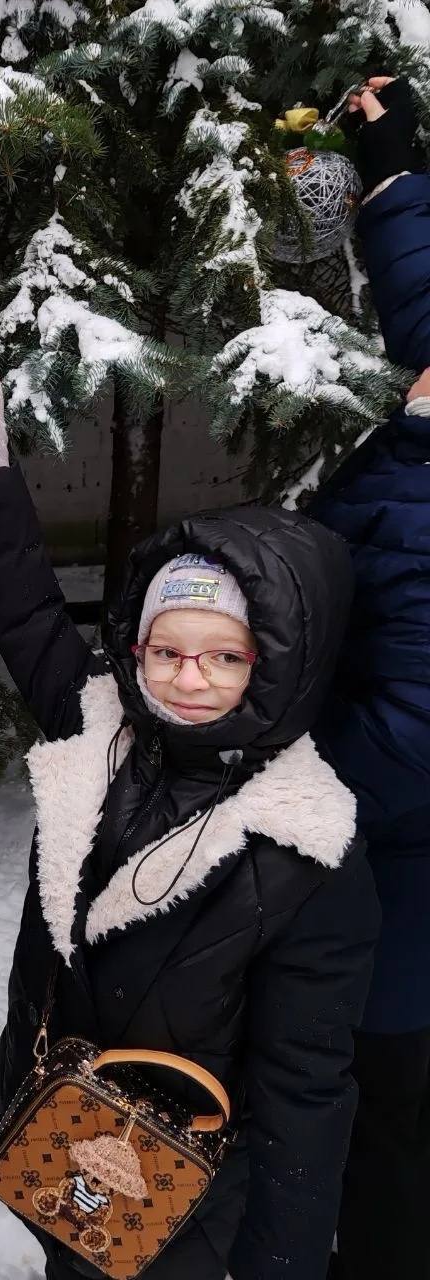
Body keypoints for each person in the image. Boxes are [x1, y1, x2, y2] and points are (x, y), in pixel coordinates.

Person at [0, 367, 380, 1280]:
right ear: (135, 648)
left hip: (184, 1203)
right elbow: (23, 598)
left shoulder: (304, 851)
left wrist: (282, 1262)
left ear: (281, 665)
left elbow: (305, 1092)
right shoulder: (100, 731)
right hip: (55, 1139)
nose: (189, 678)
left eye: (226, 656)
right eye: (168, 651)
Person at [309, 76, 430, 1280]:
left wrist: (278, 783)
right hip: (384, 887)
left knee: (386, 1134)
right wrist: (391, 168)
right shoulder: (417, 448)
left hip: (402, 909)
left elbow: (411, 736)